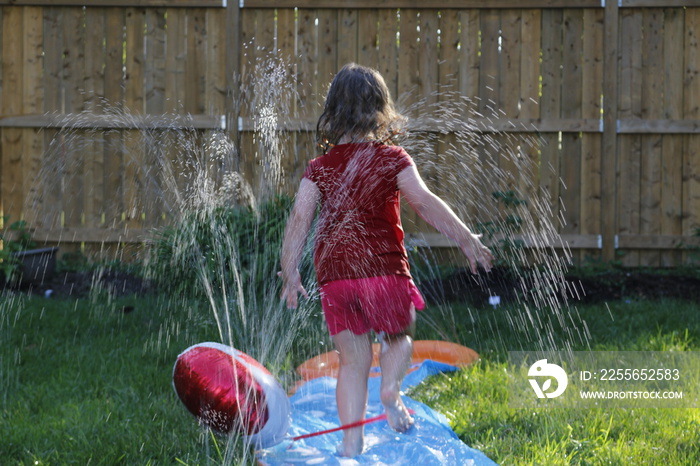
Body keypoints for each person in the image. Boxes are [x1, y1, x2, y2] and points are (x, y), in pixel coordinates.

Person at [280, 63, 493, 458]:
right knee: (399, 337)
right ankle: (391, 390)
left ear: (333, 112)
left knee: (352, 361)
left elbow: (298, 219)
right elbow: (425, 203)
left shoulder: (319, 168)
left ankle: (350, 445)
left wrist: (291, 270)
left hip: (336, 279)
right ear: (381, 110)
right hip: (385, 274)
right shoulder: (392, 158)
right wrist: (466, 238)